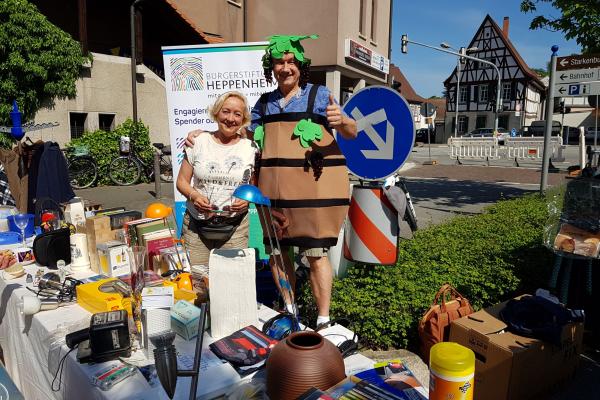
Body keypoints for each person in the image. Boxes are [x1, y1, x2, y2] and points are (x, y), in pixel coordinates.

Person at [187, 35, 357, 327]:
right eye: (280, 62)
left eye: (291, 62)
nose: (286, 67)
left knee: (316, 256)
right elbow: (239, 133)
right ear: (272, 68)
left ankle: (324, 320)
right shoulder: (264, 104)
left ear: (300, 65)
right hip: (274, 197)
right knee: (279, 256)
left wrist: (342, 120)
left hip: (311, 198)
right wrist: (203, 134)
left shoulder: (318, 95)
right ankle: (291, 312)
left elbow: (352, 132)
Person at [177, 91, 258, 268]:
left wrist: (247, 199)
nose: (230, 118)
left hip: (235, 227)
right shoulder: (198, 142)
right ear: (216, 113)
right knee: (197, 284)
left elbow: (255, 183)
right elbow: (182, 181)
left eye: (237, 114)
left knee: (231, 284)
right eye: (225, 111)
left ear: (243, 120)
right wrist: (195, 196)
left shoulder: (251, 148)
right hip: (196, 226)